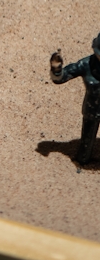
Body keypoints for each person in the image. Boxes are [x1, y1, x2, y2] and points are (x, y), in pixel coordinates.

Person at [50, 32, 100, 165]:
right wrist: (56, 68)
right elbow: (62, 77)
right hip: (92, 110)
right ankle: (83, 161)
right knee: (87, 141)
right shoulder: (86, 64)